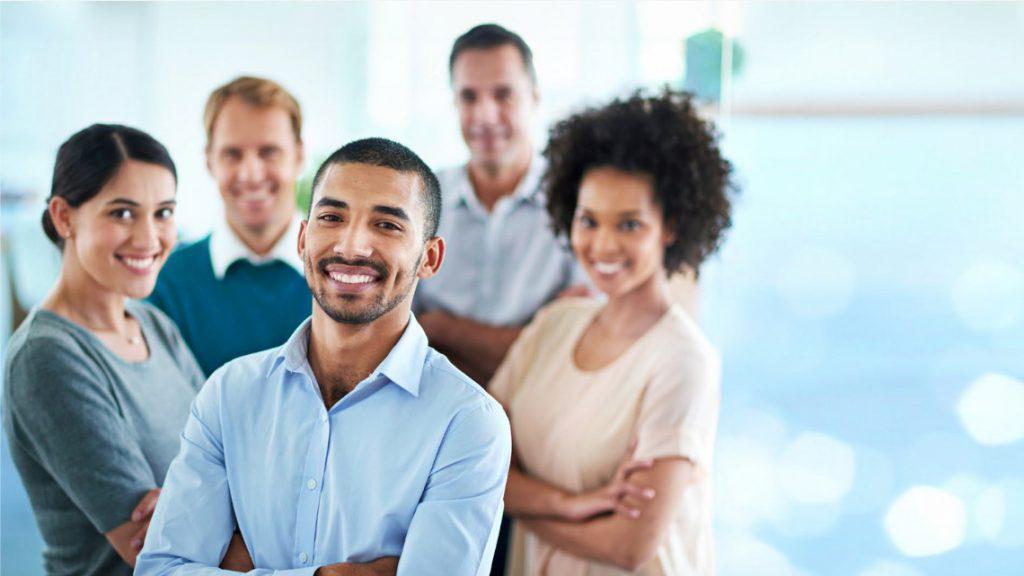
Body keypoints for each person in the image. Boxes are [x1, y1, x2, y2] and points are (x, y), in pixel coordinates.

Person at [136, 137, 512, 576]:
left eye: (387, 225)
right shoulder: (229, 394)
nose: (352, 246)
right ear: (303, 237)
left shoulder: (467, 422)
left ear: (430, 257)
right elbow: (161, 570)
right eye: (332, 217)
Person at [490, 89, 735, 575]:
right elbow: (474, 460)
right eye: (589, 220)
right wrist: (567, 504)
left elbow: (628, 545)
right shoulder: (553, 326)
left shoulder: (682, 361)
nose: (603, 244)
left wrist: (516, 501)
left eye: (629, 224)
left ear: (671, 227)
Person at [2, 124, 247, 575]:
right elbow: (154, 549)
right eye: (122, 213)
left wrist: (192, 508)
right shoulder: (47, 358)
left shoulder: (151, 324)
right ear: (64, 217)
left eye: (163, 212)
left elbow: (228, 457)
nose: (149, 238)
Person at [414, 24, 589, 387]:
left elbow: (563, 351)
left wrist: (440, 327)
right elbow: (395, 340)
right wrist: (524, 338)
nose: (485, 115)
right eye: (469, 97)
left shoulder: (579, 204)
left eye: (503, 94)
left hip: (539, 416)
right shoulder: (419, 197)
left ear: (535, 97)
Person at [149, 76, 310, 376]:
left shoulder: (346, 274)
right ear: (209, 160)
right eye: (232, 154)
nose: (250, 174)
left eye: (268, 152)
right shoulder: (166, 284)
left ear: (299, 155)